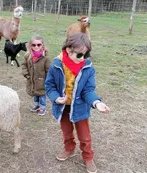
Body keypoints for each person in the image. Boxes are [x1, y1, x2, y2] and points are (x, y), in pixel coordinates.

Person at [45, 33, 110, 173]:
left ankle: (88, 157)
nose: (82, 59)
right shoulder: (56, 65)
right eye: (79, 55)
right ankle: (69, 149)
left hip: (80, 107)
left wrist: (96, 102)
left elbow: (88, 90)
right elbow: (49, 86)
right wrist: (56, 98)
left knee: (84, 135)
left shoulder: (88, 68)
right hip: (63, 107)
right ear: (68, 49)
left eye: (85, 55)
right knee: (66, 132)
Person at [22, 35, 51, 116]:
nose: (36, 46)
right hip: (32, 79)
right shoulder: (28, 56)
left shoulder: (46, 58)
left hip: (42, 81)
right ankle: (36, 105)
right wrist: (26, 74)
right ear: (30, 45)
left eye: (39, 44)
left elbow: (49, 70)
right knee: (35, 93)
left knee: (42, 94)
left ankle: (42, 107)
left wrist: (47, 80)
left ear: (42, 45)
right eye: (34, 45)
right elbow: (24, 65)